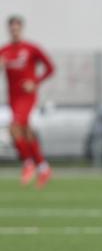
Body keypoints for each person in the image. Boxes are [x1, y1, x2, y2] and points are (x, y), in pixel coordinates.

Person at [0, 15, 55, 188]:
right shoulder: (4, 50)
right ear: (9, 29)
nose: (14, 31)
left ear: (21, 29)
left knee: (14, 128)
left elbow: (50, 68)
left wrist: (35, 82)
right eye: (12, 28)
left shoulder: (31, 48)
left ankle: (28, 164)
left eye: (17, 28)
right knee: (26, 133)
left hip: (27, 97)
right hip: (13, 98)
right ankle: (44, 168)